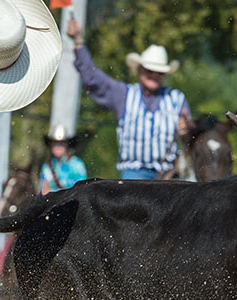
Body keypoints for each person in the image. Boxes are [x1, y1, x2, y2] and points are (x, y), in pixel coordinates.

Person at [66, 17, 192, 180]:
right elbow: (92, 78)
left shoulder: (176, 98)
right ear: (139, 70)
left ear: (164, 75)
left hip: (168, 175)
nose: (154, 75)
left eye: (159, 72)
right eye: (149, 70)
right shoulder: (123, 94)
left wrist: (188, 127)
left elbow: (191, 138)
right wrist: (78, 41)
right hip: (133, 174)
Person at [39, 124, 88, 195]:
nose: (58, 146)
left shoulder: (77, 165)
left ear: (67, 144)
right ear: (51, 145)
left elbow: (82, 190)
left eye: (61, 143)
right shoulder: (46, 167)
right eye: (55, 143)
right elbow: (42, 191)